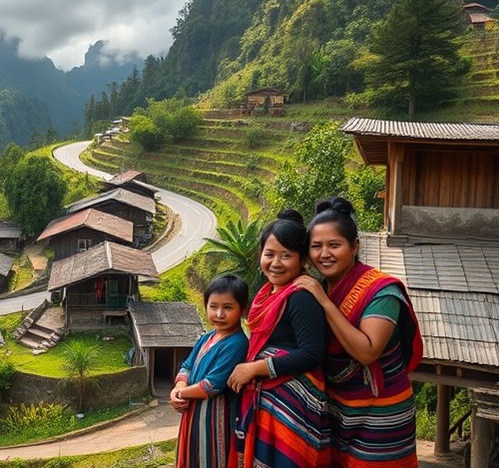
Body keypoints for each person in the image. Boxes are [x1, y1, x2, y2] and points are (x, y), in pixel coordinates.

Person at [293, 197, 423, 468]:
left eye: (334, 245)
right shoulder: (317, 288)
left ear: (355, 247)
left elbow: (367, 351)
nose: (324, 254)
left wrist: (325, 302)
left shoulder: (381, 291)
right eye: (316, 246)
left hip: (381, 412)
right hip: (336, 409)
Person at [226, 210, 330, 468]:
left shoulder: (301, 297)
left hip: (291, 406)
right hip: (268, 401)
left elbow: (311, 353)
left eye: (286, 256)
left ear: (302, 259)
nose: (276, 263)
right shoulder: (267, 293)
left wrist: (255, 368)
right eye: (269, 254)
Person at [171, 275, 250, 468]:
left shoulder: (237, 343)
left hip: (214, 421)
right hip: (192, 416)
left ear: (243, 309)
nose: (219, 314)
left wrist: (180, 393)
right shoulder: (206, 338)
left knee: (211, 459)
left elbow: (211, 386)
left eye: (228, 307)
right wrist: (177, 388)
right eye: (213, 306)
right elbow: (186, 366)